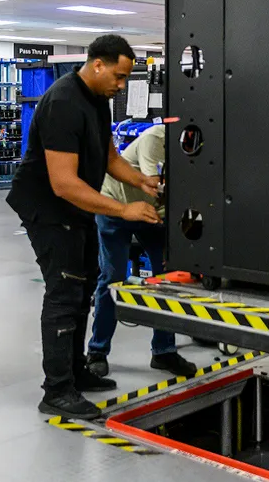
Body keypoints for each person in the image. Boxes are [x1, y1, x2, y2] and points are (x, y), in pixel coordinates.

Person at [7, 35, 162, 420]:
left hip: (75, 209)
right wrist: (123, 211)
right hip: (49, 208)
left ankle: (76, 372)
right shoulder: (62, 102)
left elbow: (108, 155)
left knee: (82, 288)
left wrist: (141, 180)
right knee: (63, 293)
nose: (122, 86)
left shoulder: (96, 100)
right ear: (97, 64)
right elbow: (63, 183)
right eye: (120, 76)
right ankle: (57, 391)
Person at [87, 124, 197, 378]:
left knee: (168, 276)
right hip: (116, 206)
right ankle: (97, 351)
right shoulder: (154, 139)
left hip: (151, 214)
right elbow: (155, 185)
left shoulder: (197, 149)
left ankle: (164, 351)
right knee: (112, 277)